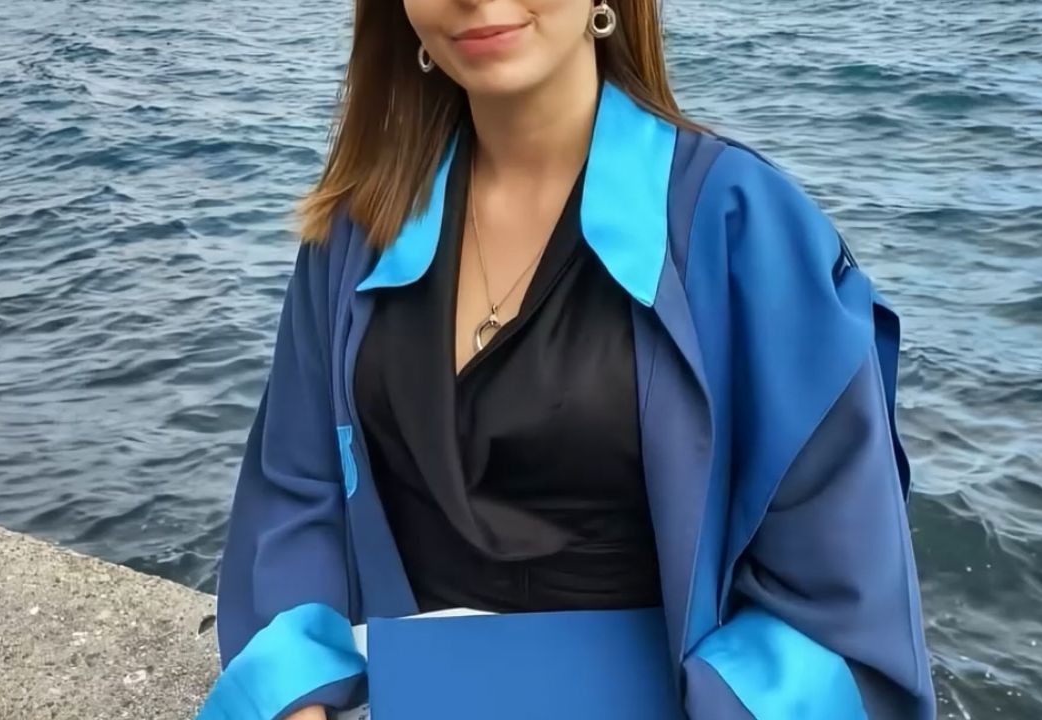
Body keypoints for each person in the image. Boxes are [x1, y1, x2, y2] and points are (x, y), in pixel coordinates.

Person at [196, 1, 935, 718]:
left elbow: (835, 589)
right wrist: (293, 696)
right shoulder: (356, 233)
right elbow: (297, 488)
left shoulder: (744, 228)